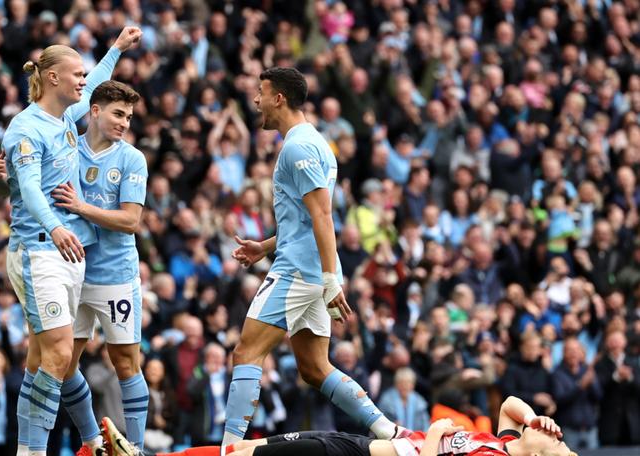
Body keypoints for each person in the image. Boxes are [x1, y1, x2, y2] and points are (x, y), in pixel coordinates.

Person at [221, 67, 401, 456]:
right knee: (314, 367)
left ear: (279, 98)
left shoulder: (298, 147)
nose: (256, 100)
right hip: (307, 265)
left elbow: (322, 215)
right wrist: (266, 245)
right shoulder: (313, 141)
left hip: (299, 271)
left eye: (260, 93)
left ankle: (230, 449)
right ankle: (388, 430)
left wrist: (329, 277)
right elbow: (305, 219)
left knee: (246, 352)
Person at [0, 27, 142, 456]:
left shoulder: (62, 120)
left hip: (66, 253)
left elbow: (97, 86)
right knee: (59, 356)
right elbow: (31, 187)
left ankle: (86, 442)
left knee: (45, 360)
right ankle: (36, 450)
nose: (83, 80)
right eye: (75, 73)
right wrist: (58, 226)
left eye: (83, 74)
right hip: (40, 248)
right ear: (53, 77)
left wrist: (115, 49)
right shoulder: (25, 129)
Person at [49, 80, 150, 450]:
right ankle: (93, 440)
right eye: (118, 113)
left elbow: (130, 221)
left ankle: (135, 448)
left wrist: (81, 208)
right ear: (94, 111)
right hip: (72, 272)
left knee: (125, 364)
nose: (124, 122)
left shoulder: (131, 158)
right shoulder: (66, 148)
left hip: (115, 275)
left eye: (129, 116)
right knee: (63, 364)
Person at [99, 396, 575, 456]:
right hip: (355, 443)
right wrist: (534, 418)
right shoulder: (505, 440)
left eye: (557, 443)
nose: (554, 432)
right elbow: (512, 405)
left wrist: (436, 433)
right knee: (242, 450)